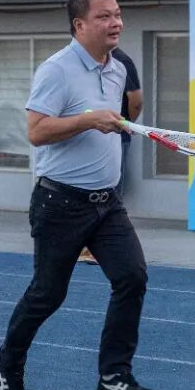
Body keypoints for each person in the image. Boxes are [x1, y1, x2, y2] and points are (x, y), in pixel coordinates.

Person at [0, 0, 154, 390]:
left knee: (132, 277)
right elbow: (36, 132)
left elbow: (113, 118)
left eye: (118, 14)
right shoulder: (56, 70)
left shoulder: (118, 68)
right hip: (60, 203)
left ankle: (114, 377)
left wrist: (110, 123)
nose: (116, 23)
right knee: (48, 294)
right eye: (105, 16)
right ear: (80, 25)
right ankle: (8, 362)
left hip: (108, 203)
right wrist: (88, 120)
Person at [79, 46, 141, 265]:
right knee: (90, 190)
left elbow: (136, 101)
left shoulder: (122, 62)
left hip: (116, 137)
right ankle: (87, 245)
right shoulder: (79, 63)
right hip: (90, 138)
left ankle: (105, 248)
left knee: (111, 193)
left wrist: (123, 126)